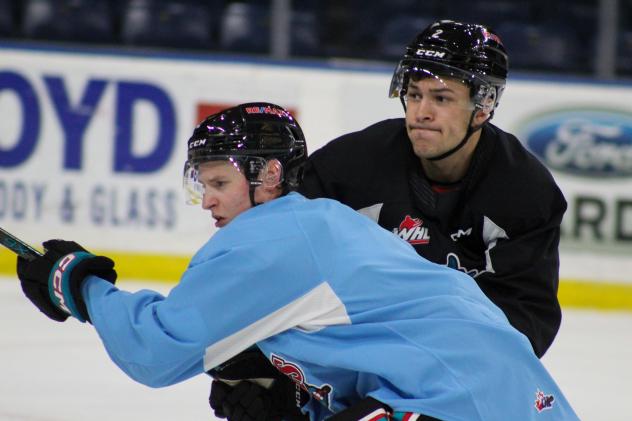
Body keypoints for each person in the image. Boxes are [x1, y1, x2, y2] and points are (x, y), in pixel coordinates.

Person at [16, 102, 578, 420]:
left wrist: (78, 284)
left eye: (218, 182)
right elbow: (389, 350)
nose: (207, 200)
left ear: (269, 177)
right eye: (200, 185)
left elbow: (157, 352)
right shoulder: (330, 224)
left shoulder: (272, 238)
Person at [208, 20, 568, 420]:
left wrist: (419, 376)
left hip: (463, 378)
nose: (421, 112)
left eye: (442, 98)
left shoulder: (524, 192)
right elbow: (273, 249)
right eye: (414, 95)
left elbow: (524, 322)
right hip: (361, 358)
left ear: (482, 106)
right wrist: (261, 364)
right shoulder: (353, 165)